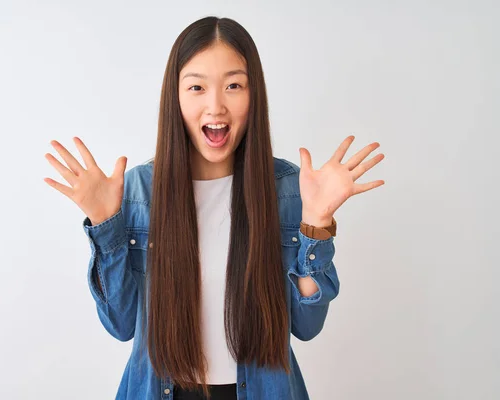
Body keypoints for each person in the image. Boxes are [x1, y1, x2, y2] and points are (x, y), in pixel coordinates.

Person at [44, 16, 385, 400]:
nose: (216, 105)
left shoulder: (288, 191)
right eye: (196, 87)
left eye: (234, 85)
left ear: (254, 94)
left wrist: (316, 224)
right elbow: (120, 325)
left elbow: (307, 325)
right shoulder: (139, 192)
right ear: (175, 97)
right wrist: (106, 225)